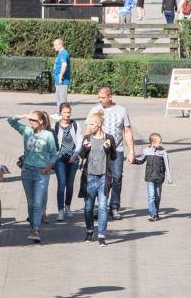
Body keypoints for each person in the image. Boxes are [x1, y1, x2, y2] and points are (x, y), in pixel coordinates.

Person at [8, 110, 57, 243]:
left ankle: (36, 229)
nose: (31, 122)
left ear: (41, 121)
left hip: (41, 173)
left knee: (37, 203)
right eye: (30, 120)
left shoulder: (48, 135)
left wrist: (48, 168)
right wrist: (24, 115)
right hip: (27, 172)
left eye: (34, 120)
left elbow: (54, 154)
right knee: (30, 202)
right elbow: (10, 120)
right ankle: (32, 225)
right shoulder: (27, 131)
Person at [86, 86, 135, 219]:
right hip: (98, 151)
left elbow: (127, 131)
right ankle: (101, 207)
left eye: (103, 97)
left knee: (117, 178)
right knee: (100, 179)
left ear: (110, 97)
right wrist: (86, 148)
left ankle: (114, 207)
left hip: (117, 150)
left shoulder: (122, 111)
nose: (100, 100)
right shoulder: (95, 110)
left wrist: (131, 151)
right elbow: (88, 130)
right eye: (99, 97)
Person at [78, 111, 117, 246]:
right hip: (89, 177)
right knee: (88, 207)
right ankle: (89, 230)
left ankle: (101, 235)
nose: (89, 126)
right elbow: (81, 156)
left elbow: (114, 157)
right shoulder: (87, 138)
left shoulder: (109, 138)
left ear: (99, 124)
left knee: (102, 207)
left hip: (103, 178)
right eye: (89, 124)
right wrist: (84, 149)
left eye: (92, 124)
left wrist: (108, 149)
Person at [132, 132, 172, 221]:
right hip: (149, 177)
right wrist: (133, 160)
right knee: (151, 196)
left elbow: (167, 165)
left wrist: (169, 177)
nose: (161, 144)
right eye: (159, 142)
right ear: (153, 143)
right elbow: (141, 160)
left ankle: (156, 213)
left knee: (157, 196)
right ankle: (152, 213)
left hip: (159, 177)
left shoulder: (163, 152)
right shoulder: (146, 151)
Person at [53, 103, 82, 221]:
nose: (67, 115)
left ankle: (68, 206)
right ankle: (60, 210)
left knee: (70, 184)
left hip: (73, 158)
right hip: (60, 158)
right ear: (60, 113)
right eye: (64, 112)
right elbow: (53, 143)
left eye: (68, 112)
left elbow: (79, 141)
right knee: (61, 184)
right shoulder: (55, 126)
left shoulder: (75, 125)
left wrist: (75, 155)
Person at [52, 37, 71, 106]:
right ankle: (59, 112)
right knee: (59, 99)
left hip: (62, 81)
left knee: (62, 101)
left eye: (55, 45)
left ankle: (62, 112)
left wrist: (60, 76)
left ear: (60, 45)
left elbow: (64, 65)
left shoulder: (63, 53)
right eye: (54, 45)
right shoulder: (60, 53)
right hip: (59, 80)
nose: (54, 47)